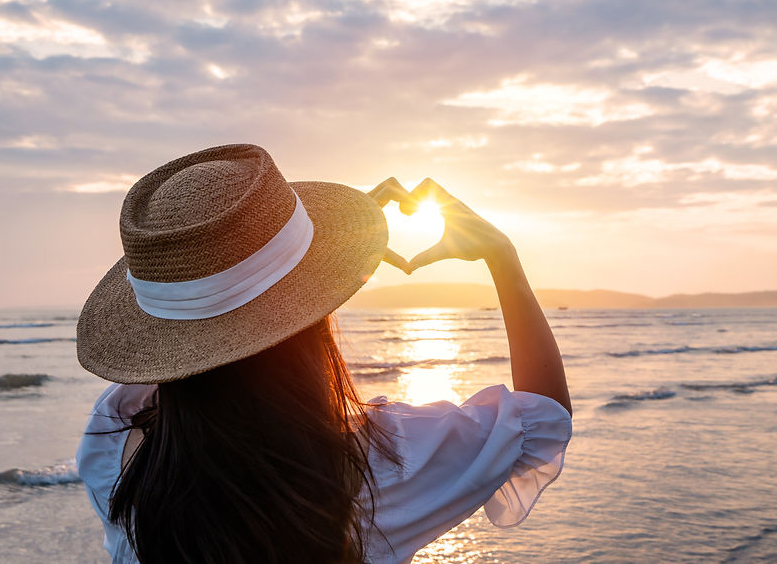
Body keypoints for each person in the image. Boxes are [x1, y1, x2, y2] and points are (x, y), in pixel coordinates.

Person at [76, 144, 572, 564]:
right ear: (316, 304)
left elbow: (179, 360)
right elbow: (543, 418)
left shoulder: (113, 443)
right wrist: (502, 257)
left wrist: (312, 247)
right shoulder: (379, 465)